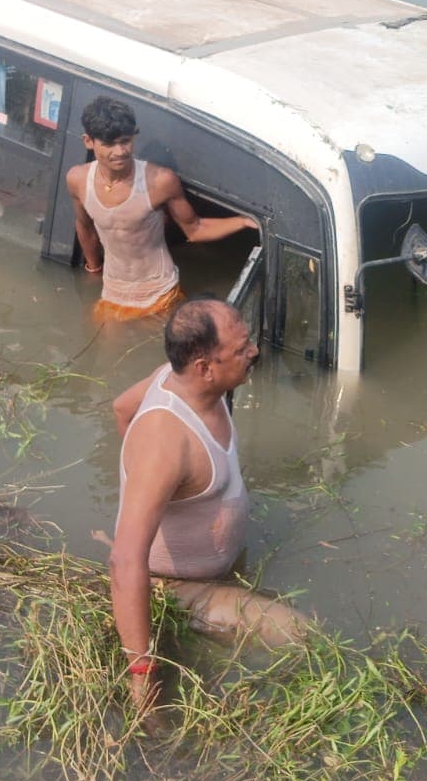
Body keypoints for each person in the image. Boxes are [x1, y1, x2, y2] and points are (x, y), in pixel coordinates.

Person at [108, 297, 309, 711]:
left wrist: (154, 493)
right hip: (175, 587)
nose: (253, 351)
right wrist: (142, 676)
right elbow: (124, 561)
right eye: (240, 349)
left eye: (248, 340)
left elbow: (121, 407)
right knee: (303, 639)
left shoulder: (175, 376)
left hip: (222, 569)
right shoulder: (165, 442)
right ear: (204, 367)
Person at [65, 96, 255, 321]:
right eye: (108, 144)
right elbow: (84, 226)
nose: (120, 152)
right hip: (113, 293)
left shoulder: (159, 181)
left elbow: (195, 229)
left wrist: (243, 221)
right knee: (104, 351)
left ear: (135, 135)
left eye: (125, 141)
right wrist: (93, 270)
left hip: (162, 295)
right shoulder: (77, 179)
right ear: (88, 141)